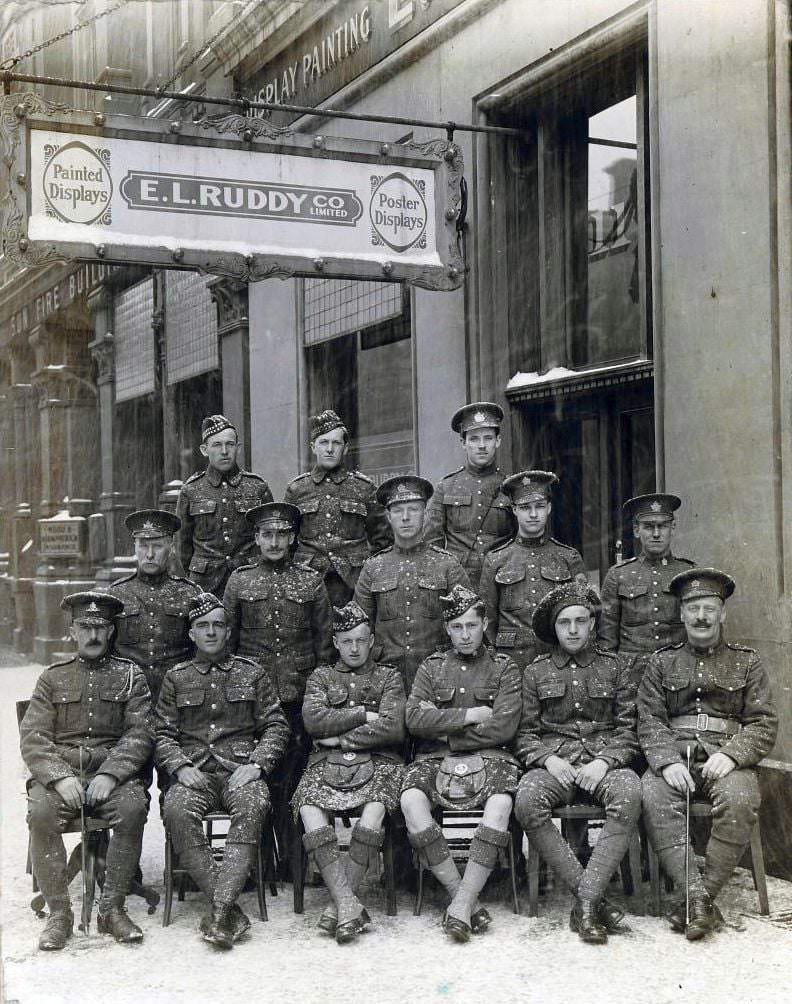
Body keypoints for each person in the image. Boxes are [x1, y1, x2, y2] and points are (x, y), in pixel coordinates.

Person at [638, 568, 777, 940]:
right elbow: (649, 719)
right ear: (681, 614)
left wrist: (732, 755)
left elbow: (763, 723)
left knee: (741, 798)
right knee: (651, 794)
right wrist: (666, 761)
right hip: (676, 756)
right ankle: (698, 900)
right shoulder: (661, 662)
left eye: (710, 608)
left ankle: (700, 898)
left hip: (726, 759)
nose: (701, 616)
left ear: (723, 614)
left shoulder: (748, 662)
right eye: (693, 608)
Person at [156, 592, 290, 949]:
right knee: (176, 810)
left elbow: (277, 726)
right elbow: (162, 733)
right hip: (194, 773)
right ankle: (227, 907)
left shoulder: (252, 673)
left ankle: (218, 910)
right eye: (202, 626)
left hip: (240, 770)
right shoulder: (176, 678)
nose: (211, 632)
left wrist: (258, 764)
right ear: (191, 634)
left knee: (253, 806)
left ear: (228, 631)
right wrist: (180, 767)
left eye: (218, 625)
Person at [20, 592, 153, 949]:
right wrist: (60, 778)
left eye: (101, 628)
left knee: (131, 810)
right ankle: (59, 915)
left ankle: (112, 910)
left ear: (111, 632)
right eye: (85, 627)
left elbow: (140, 734)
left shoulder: (130, 677)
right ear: (72, 632)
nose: (93, 635)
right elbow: (33, 737)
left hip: (112, 775)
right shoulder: (52, 678)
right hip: (63, 775)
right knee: (42, 814)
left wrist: (111, 774)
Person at [513, 583, 642, 944]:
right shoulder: (535, 672)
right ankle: (594, 897)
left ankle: (584, 903)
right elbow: (524, 734)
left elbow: (629, 728)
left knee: (630, 793)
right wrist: (548, 760)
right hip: (557, 764)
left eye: (580, 621)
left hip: (603, 764)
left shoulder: (616, 668)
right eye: (564, 622)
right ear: (553, 629)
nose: (572, 630)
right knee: (526, 800)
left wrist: (605, 761)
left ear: (592, 625)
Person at [401, 584, 522, 942]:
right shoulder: (431, 668)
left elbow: (503, 726)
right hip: (436, 758)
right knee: (410, 799)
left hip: (491, 757)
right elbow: (413, 721)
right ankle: (463, 899)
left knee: (501, 803)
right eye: (457, 627)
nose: (465, 634)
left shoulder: (504, 668)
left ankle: (462, 903)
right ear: (447, 628)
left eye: (472, 625)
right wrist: (470, 714)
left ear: (484, 624)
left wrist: (444, 727)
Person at [223, 501, 334, 874]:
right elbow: (229, 642)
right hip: (252, 698)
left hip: (297, 694)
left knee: (293, 778)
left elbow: (323, 643)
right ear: (256, 538)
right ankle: (259, 861)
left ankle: (293, 859)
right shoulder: (239, 581)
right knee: (256, 777)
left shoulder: (310, 581)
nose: (274, 541)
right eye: (267, 534)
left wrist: (317, 695)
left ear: (292, 539)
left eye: (281, 535)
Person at [293, 600, 406, 944]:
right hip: (324, 765)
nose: (355, 648)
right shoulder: (321, 677)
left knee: (375, 811)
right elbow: (313, 722)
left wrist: (336, 737)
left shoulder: (389, 677)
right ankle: (347, 904)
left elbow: (393, 728)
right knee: (309, 807)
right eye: (347, 641)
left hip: (380, 761)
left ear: (371, 640)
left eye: (361, 640)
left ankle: (338, 908)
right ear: (337, 643)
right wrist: (361, 716)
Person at [354, 476, 471, 693]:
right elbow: (358, 629)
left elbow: (469, 626)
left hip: (439, 679)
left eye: (413, 509)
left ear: (425, 514)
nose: (406, 517)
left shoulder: (447, 564)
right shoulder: (373, 568)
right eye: (398, 511)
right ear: (388, 516)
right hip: (386, 682)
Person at [284, 409, 392, 607]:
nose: (330, 449)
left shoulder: (364, 487)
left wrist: (370, 578)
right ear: (313, 447)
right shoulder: (297, 489)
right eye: (323, 442)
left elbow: (382, 541)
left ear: (346, 447)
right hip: (308, 584)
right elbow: (287, 543)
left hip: (353, 585)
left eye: (336, 443)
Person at [480, 470, 586, 670]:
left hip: (556, 662)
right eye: (525, 507)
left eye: (539, 506)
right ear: (514, 510)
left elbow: (583, 615)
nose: (534, 514)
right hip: (510, 663)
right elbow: (487, 622)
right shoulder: (496, 560)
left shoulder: (569, 558)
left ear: (549, 508)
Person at [107, 509, 201, 704]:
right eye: (143, 546)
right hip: (128, 697)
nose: (149, 554)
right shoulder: (116, 595)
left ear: (171, 547)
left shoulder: (190, 594)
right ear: (134, 547)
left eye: (157, 546)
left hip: (178, 697)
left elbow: (200, 653)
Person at [598, 493, 695, 678]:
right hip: (630, 675)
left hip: (677, 672)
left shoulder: (688, 574)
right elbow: (607, 640)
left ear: (673, 528)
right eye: (649, 527)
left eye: (663, 526)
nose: (656, 534)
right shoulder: (618, 575)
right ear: (636, 530)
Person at [176, 414, 273, 595]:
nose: (224, 451)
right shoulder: (191, 490)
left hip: (250, 581)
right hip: (206, 584)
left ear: (238, 448)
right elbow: (183, 546)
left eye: (229, 444)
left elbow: (270, 534)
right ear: (204, 450)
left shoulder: (257, 486)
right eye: (217, 445)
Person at [422, 402, 514, 592]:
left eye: (488, 438)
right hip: (458, 583)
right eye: (474, 439)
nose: (482, 446)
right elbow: (432, 544)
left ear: (498, 441)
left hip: (502, 582)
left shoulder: (511, 487)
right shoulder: (446, 487)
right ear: (463, 443)